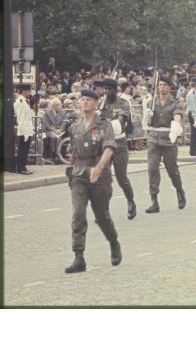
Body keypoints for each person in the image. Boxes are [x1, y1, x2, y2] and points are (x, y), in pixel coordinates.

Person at [64, 90, 121, 273]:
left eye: (89, 99)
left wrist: (99, 168)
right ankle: (79, 257)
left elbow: (109, 148)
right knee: (78, 214)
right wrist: (69, 170)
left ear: (96, 103)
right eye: (82, 99)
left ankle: (113, 242)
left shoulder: (104, 124)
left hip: (99, 175)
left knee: (102, 217)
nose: (85, 102)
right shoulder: (75, 126)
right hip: (79, 174)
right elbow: (73, 151)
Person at [143, 75, 186, 213]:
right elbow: (146, 123)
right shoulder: (151, 101)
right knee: (152, 169)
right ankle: (154, 201)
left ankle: (179, 191)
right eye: (160, 85)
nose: (162, 87)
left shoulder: (176, 102)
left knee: (172, 170)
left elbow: (178, 116)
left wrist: (175, 128)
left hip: (169, 139)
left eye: (164, 85)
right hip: (154, 138)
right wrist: (146, 115)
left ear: (169, 87)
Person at [99, 78, 137, 219]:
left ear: (116, 90)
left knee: (121, 178)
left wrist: (107, 123)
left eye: (109, 89)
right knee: (105, 177)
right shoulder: (102, 103)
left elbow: (122, 120)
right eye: (105, 89)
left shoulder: (123, 103)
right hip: (105, 144)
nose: (107, 91)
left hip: (119, 143)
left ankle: (131, 201)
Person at [13, 84, 35, 175]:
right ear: (24, 91)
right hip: (23, 131)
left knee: (25, 150)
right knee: (22, 150)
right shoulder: (20, 102)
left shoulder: (25, 101)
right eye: (29, 90)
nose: (30, 92)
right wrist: (24, 132)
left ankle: (23, 166)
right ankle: (20, 168)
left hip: (27, 130)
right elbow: (20, 119)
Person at [42, 97, 67, 163]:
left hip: (60, 130)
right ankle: (54, 155)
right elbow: (46, 124)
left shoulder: (64, 112)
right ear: (53, 106)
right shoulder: (47, 113)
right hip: (50, 130)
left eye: (60, 105)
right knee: (54, 137)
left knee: (58, 137)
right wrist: (54, 130)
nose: (59, 107)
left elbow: (65, 122)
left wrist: (61, 129)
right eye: (57, 105)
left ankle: (57, 155)